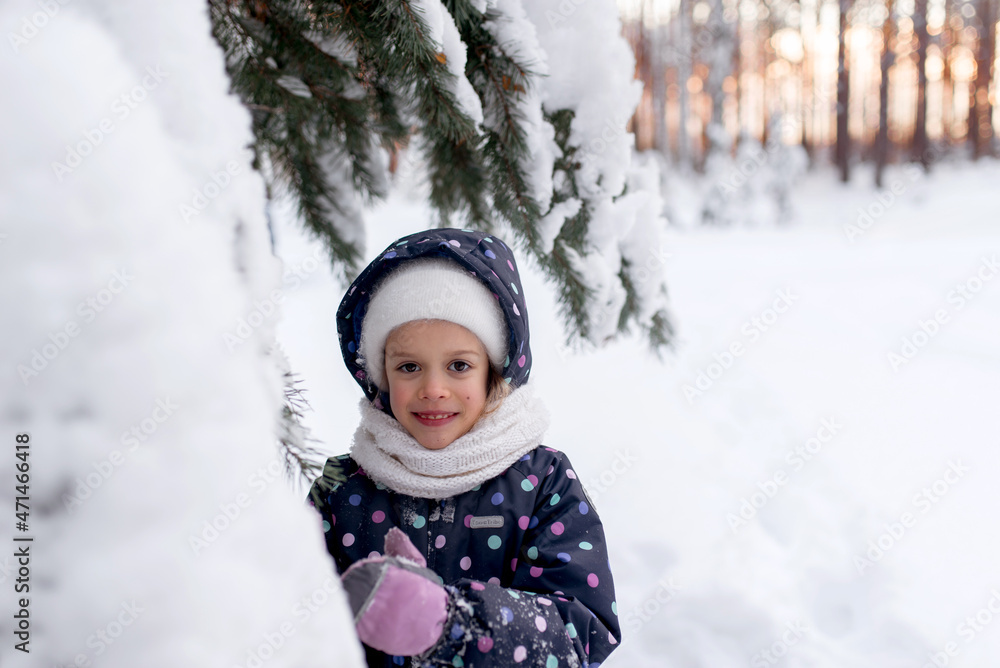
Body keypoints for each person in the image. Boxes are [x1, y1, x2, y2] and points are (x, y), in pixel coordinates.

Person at [308, 228, 621, 667]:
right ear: (381, 378)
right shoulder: (342, 490)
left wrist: (453, 622)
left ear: (492, 373)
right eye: (409, 366)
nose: (433, 389)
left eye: (458, 366)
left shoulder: (542, 483)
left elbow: (582, 632)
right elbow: (291, 617)